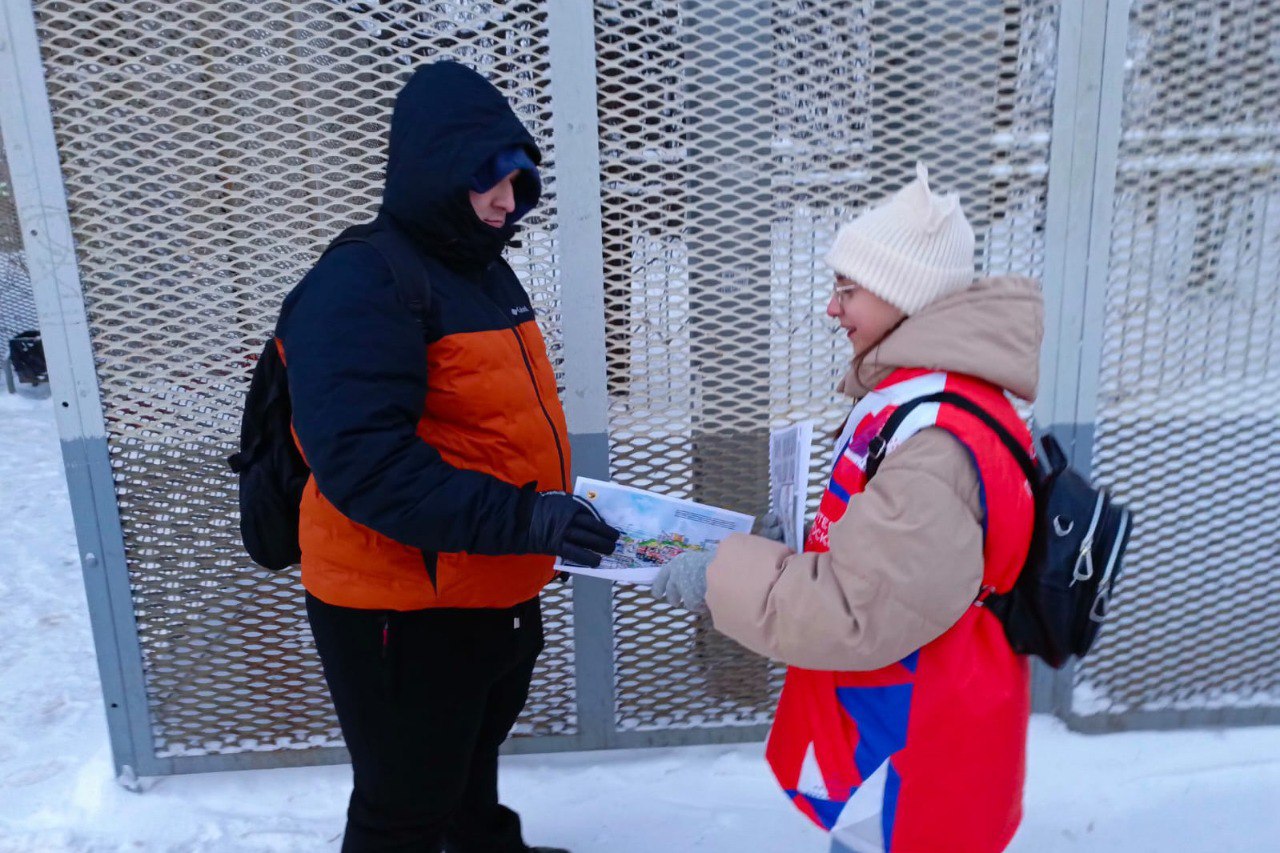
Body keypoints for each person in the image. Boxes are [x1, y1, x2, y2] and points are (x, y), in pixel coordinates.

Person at [277, 61, 619, 853]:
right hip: (399, 604)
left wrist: (544, 520)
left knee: (469, 757)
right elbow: (365, 464)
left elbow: (491, 423)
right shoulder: (362, 282)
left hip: (483, 579)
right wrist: (525, 517)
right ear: (435, 169)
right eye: (488, 178)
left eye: (519, 181)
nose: (507, 200)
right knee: (404, 801)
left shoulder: (479, 271)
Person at [652, 163, 1043, 852]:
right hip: (904, 715)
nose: (832, 309)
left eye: (847, 289)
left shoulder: (937, 441)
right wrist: (795, 546)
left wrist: (720, 577)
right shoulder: (927, 399)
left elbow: (859, 611)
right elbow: (892, 563)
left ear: (903, 293)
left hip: (920, 741)